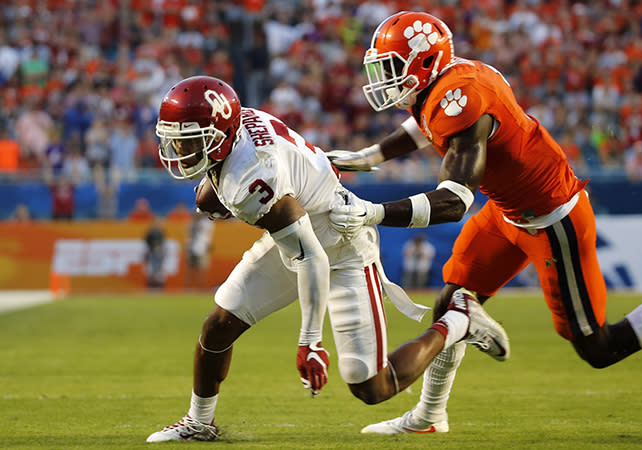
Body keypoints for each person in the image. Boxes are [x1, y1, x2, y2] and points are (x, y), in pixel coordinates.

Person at [327, 11, 642, 434]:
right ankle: (429, 417)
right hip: (507, 211)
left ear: (423, 64)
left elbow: (454, 200)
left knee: (598, 347)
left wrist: (375, 211)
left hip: (553, 221)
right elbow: (426, 122)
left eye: (391, 68)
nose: (383, 79)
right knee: (451, 301)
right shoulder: (450, 82)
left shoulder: (463, 97)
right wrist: (368, 157)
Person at [146, 75, 509, 442]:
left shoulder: (250, 179)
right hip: (299, 229)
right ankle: (199, 422)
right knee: (219, 324)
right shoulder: (241, 125)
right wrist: (215, 190)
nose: (178, 146)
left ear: (220, 133)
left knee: (371, 386)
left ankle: (457, 322)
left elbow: (311, 257)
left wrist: (310, 342)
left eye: (190, 137)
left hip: (340, 245)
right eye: (175, 136)